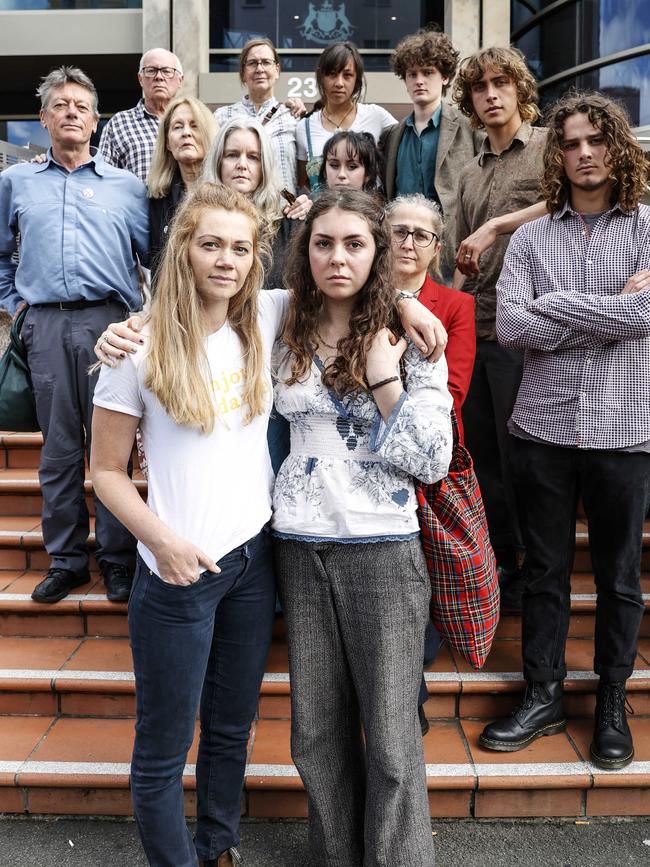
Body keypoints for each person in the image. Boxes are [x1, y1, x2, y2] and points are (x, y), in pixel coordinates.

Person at [91, 183, 282, 867]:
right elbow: (106, 471)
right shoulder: (134, 347)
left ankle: (219, 843)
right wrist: (162, 541)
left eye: (239, 246)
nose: (226, 259)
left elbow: (355, 284)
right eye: (210, 244)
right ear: (184, 250)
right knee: (163, 748)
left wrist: (409, 300)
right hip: (177, 573)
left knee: (231, 727)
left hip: (253, 560)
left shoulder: (266, 316)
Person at [272, 188, 453, 866]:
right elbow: (194, 305)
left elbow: (431, 460)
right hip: (299, 545)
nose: (337, 256)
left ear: (378, 252)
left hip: (382, 548)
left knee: (391, 733)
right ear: (305, 250)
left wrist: (384, 377)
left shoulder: (410, 335)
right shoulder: (280, 321)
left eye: (354, 243)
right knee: (315, 733)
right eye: (323, 242)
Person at [480, 93, 650, 771]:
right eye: (572, 142)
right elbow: (514, 325)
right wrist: (615, 307)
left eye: (596, 141)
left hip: (624, 428)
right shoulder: (530, 237)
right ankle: (542, 691)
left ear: (617, 147)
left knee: (619, 574)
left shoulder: (645, 226)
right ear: (558, 153)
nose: (584, 152)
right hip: (542, 429)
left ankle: (612, 697)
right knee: (545, 571)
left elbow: (649, 318)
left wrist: (558, 306)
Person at [0, 66, 149, 604]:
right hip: (44, 325)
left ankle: (116, 560)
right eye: (59, 105)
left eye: (80, 106)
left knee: (111, 451)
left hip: (112, 327)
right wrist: (15, 307)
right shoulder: (14, 182)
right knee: (59, 450)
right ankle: (66, 560)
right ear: (43, 119)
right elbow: (0, 255)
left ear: (95, 121)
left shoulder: (127, 188)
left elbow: (151, 261)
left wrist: (142, 320)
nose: (70, 113)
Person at [452, 46, 547, 607]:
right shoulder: (468, 173)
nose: (490, 94)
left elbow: (570, 200)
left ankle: (539, 564)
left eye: (500, 84)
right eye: (480, 87)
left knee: (524, 458)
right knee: (482, 457)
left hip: (526, 329)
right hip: (477, 329)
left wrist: (498, 225)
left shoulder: (547, 150)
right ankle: (506, 561)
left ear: (518, 89)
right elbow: (462, 260)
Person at [386, 193, 476, 736]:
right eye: (399, 231)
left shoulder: (455, 306)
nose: (409, 243)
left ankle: (411, 689)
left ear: (436, 246)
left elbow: (456, 388)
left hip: (429, 462)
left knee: (422, 575)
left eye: (421, 235)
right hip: (360, 456)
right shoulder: (360, 290)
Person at [382, 27, 482, 280]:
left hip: (452, 253)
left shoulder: (469, 128)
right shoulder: (393, 135)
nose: (419, 81)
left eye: (428, 73)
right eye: (412, 74)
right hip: (402, 251)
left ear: (445, 77)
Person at [202, 116, 310, 293]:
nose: (242, 165)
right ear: (218, 162)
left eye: (253, 157)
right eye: (232, 155)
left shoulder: (287, 224)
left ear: (264, 166)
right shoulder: (196, 221)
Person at [295, 41, 396, 190]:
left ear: (356, 80)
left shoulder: (376, 116)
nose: (339, 83)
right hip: (322, 211)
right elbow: (302, 183)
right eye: (332, 74)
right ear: (321, 77)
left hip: (367, 211)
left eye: (347, 75)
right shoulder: (305, 127)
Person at [214, 37, 305, 194]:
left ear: (277, 70)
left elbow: (305, 174)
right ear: (243, 73)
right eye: (252, 63)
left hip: (282, 212)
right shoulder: (222, 117)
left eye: (266, 62)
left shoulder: (292, 117)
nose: (259, 69)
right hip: (235, 212)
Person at [148, 95, 218, 283]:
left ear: (208, 134)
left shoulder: (229, 192)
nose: (186, 133)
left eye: (194, 125)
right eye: (178, 127)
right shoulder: (154, 200)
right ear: (168, 143)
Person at [99, 48, 184, 183]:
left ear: (180, 80)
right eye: (151, 71)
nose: (159, 77)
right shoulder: (118, 124)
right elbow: (104, 179)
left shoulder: (192, 123)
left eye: (167, 71)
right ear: (140, 79)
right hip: (136, 204)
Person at [317, 129, 384, 194]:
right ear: (324, 171)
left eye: (352, 166)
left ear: (368, 173)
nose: (341, 174)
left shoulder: (375, 205)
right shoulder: (313, 204)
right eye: (334, 165)